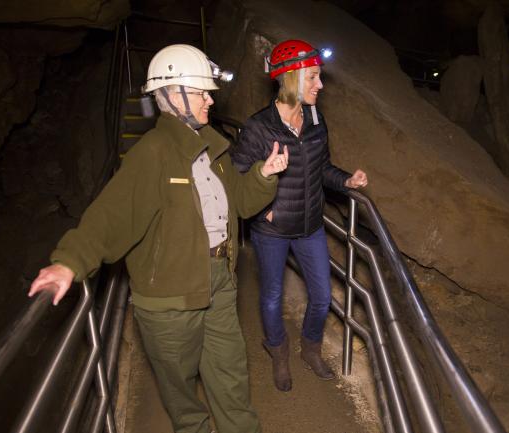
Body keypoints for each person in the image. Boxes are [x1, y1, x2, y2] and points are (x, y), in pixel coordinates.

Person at [28, 44, 289, 433]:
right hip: (170, 298)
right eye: (201, 92)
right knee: (181, 392)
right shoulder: (153, 153)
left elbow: (240, 203)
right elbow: (112, 214)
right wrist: (70, 261)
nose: (209, 100)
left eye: (208, 92)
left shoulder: (214, 149)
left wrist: (264, 175)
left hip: (219, 282)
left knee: (231, 377)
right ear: (172, 95)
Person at [231, 39, 368, 392]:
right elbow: (237, 178)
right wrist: (265, 209)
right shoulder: (259, 127)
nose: (320, 85)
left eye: (319, 77)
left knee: (322, 296)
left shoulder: (316, 119)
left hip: (309, 226)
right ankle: (278, 353)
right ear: (291, 78)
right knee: (272, 295)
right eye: (313, 78)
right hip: (271, 231)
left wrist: (346, 180)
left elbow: (322, 168)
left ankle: (310, 348)